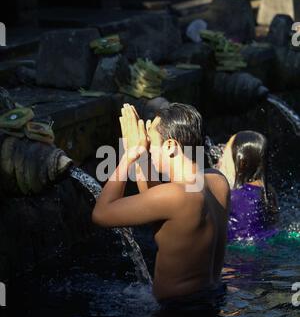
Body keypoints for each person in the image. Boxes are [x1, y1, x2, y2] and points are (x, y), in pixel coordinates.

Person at [92, 102, 230, 303]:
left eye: (151, 143)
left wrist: (129, 155)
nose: (148, 149)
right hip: (212, 300)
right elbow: (155, 201)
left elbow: (101, 213)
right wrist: (142, 159)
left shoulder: (175, 195)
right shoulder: (218, 181)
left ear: (171, 146)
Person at [217, 131, 278, 242]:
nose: (220, 155)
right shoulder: (267, 191)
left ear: (241, 162)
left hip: (238, 256)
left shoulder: (233, 197)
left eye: (225, 151)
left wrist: (191, 148)